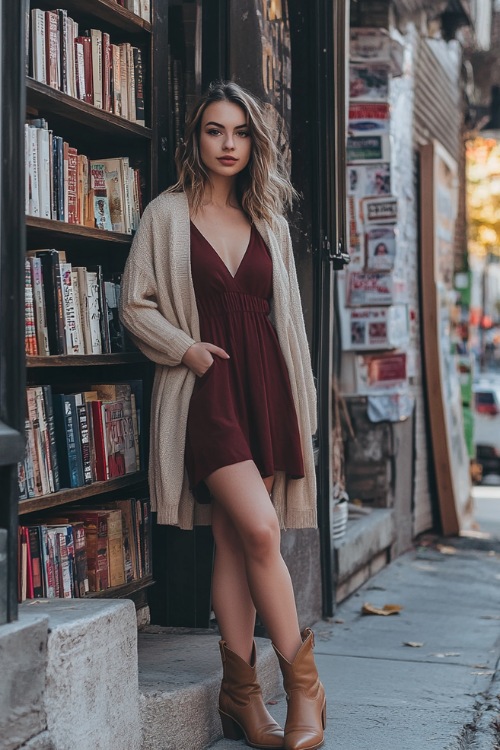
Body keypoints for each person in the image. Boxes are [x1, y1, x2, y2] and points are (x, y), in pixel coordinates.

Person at [120, 80, 325, 750]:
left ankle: (240, 699)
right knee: (264, 533)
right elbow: (135, 303)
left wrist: (302, 408)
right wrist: (188, 352)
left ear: (253, 141)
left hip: (266, 391)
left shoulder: (268, 219)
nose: (227, 143)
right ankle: (304, 689)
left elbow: (286, 323)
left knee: (238, 541)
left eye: (239, 131)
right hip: (210, 394)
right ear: (196, 138)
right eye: (214, 130)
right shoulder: (167, 215)